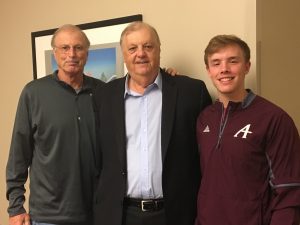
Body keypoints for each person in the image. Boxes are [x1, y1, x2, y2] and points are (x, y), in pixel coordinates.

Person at [92, 21, 212, 225]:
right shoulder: (103, 96)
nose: (141, 53)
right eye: (132, 48)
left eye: (148, 46)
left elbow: (207, 157)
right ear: (124, 54)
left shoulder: (191, 92)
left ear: (159, 49)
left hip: (175, 214)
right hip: (120, 215)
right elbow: (97, 158)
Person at [195, 34, 300, 225]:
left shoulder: (274, 119)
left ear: (247, 66)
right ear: (208, 70)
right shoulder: (204, 119)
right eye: (216, 63)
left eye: (233, 61)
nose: (224, 69)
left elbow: (289, 190)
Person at [6, 24, 104, 225]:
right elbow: (18, 155)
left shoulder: (104, 93)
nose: (72, 54)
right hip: (48, 217)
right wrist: (16, 207)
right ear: (55, 52)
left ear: (87, 53)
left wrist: (167, 76)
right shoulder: (33, 93)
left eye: (78, 47)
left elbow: (138, 87)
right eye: (65, 48)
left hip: (97, 213)